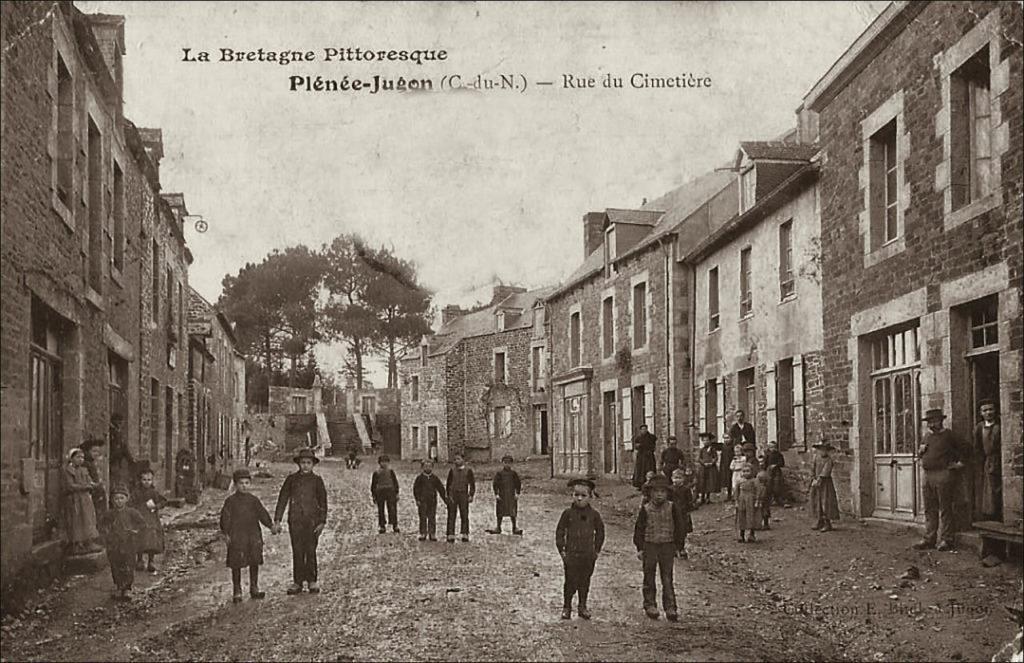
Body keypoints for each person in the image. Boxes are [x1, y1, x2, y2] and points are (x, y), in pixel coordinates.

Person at [274, 447, 329, 594]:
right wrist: (278, 519)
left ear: (313, 464)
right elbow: (283, 499)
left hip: (312, 522)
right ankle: (297, 582)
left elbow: (323, 502)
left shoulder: (317, 481)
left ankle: (312, 580)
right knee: (297, 550)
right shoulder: (291, 480)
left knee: (311, 550)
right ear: (298, 464)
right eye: (303, 462)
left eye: (308, 462)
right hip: (296, 521)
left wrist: (322, 522)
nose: (305, 465)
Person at [633, 475, 687, 621]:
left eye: (662, 491)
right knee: (649, 576)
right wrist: (640, 547)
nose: (659, 495)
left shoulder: (672, 507)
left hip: (667, 545)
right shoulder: (645, 509)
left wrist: (678, 545)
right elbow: (639, 528)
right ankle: (650, 604)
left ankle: (670, 607)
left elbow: (679, 527)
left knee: (667, 577)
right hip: (650, 545)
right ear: (649, 493)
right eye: (656, 491)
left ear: (667, 493)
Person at [913, 409, 965, 551]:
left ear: (941, 421)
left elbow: (965, 449)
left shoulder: (949, 435)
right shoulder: (927, 436)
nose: (931, 424)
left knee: (945, 508)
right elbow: (921, 452)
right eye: (929, 422)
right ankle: (929, 538)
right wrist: (920, 454)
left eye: (934, 421)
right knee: (929, 508)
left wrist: (958, 464)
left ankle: (946, 540)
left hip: (943, 475)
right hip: (927, 475)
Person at [220, 468, 274, 603]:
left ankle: (254, 588)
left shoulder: (253, 500)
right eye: (241, 483)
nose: (244, 486)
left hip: (253, 534)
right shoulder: (230, 501)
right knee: (236, 563)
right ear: (236, 485)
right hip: (237, 535)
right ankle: (237, 590)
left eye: (247, 483)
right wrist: (226, 533)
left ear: (250, 484)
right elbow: (225, 518)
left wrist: (271, 525)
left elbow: (262, 514)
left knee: (254, 560)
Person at [555, 478, 605, 621]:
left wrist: (596, 551)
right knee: (570, 581)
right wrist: (562, 550)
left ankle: (582, 606)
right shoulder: (567, 513)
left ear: (590, 497)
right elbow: (560, 532)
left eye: (583, 496)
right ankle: (567, 607)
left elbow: (600, 532)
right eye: (576, 495)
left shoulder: (594, 515)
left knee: (585, 581)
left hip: (588, 555)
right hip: (571, 554)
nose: (579, 498)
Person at [101, 484, 146, 601]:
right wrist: (107, 534)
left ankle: (127, 588)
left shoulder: (132, 512)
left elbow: (142, 524)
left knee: (128, 565)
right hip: (114, 544)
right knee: (116, 565)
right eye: (116, 498)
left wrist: (135, 531)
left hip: (129, 543)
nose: (119, 501)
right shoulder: (109, 514)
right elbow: (102, 525)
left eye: (122, 498)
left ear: (127, 499)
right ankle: (118, 586)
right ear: (112, 500)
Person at [62, 448, 101, 554]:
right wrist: (85, 486)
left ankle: (88, 541)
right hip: (75, 498)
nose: (81, 460)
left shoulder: (84, 470)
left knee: (88, 518)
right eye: (78, 457)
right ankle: (77, 543)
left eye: (82, 457)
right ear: (72, 458)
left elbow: (89, 480)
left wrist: (93, 484)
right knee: (77, 520)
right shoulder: (68, 470)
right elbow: (70, 486)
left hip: (85, 498)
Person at [131, 469, 167, 572]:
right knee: (140, 538)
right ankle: (139, 560)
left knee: (152, 540)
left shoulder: (154, 492)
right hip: (140, 518)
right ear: (140, 480)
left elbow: (163, 501)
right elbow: (131, 503)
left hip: (152, 519)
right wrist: (136, 510)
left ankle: (151, 561)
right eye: (144, 480)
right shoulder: (136, 492)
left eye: (149, 480)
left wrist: (157, 506)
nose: (147, 482)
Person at [974, 399, 1001, 520]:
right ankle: (990, 515)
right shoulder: (979, 428)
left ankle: (1001, 514)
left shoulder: (1000, 424)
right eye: (985, 410)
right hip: (988, 461)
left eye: (991, 409)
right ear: (981, 413)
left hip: (1000, 459)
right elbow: (977, 447)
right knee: (989, 489)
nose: (989, 412)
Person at [487, 455, 523, 535]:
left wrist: (517, 493)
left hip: (511, 496)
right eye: (505, 463)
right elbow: (495, 484)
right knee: (500, 511)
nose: (507, 464)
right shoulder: (499, 474)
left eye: (509, 463)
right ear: (503, 463)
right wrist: (496, 494)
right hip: (502, 496)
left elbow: (518, 484)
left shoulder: (513, 474)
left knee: (512, 512)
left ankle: (514, 528)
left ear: (511, 464)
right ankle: (498, 527)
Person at [809, 442, 841, 533]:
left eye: (825, 450)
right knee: (816, 501)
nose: (823, 452)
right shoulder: (816, 458)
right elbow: (812, 468)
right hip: (816, 483)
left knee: (826, 502)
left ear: (827, 451)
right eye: (821, 450)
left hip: (825, 484)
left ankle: (828, 523)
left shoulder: (829, 460)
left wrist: (819, 478)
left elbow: (825, 471)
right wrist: (813, 477)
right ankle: (819, 521)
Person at [413, 459, 447, 541]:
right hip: (422, 501)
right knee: (423, 517)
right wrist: (417, 499)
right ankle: (423, 533)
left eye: (429, 466)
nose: (428, 468)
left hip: (432, 501)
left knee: (432, 517)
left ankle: (432, 533)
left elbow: (440, 489)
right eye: (425, 466)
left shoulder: (434, 478)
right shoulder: (419, 478)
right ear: (422, 468)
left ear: (432, 467)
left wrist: (445, 499)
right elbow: (416, 489)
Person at [445, 453, 475, 543]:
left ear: (463, 460)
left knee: (464, 514)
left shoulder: (468, 471)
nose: (456, 461)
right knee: (451, 514)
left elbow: (472, 484)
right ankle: (450, 533)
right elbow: (448, 483)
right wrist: (448, 494)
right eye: (455, 459)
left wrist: (471, 495)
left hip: (463, 494)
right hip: (453, 495)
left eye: (458, 459)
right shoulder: (452, 471)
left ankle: (465, 533)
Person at [370, 455, 400, 534]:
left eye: (386, 462)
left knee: (392, 508)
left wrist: (397, 493)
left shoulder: (390, 471)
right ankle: (382, 525)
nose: (384, 464)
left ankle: (395, 524)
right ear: (379, 463)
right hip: (380, 492)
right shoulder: (376, 473)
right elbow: (373, 484)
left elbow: (395, 482)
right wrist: (374, 495)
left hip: (390, 491)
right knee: (381, 510)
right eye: (382, 462)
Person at [734, 465, 765, 543]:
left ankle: (751, 534)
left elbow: (758, 490)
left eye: (748, 471)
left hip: (751, 500)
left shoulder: (755, 481)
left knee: (751, 516)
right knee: (741, 515)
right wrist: (736, 501)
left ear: (752, 472)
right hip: (742, 500)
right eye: (744, 471)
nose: (746, 473)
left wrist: (757, 500)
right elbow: (736, 491)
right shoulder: (740, 481)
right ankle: (741, 534)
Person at [670, 468, 695, 559]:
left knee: (682, 531)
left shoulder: (686, 489)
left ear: (683, 479)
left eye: (679, 478)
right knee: (673, 531)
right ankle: (674, 548)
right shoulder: (670, 489)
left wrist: (688, 510)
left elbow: (689, 501)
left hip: (683, 513)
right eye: (675, 478)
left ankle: (681, 548)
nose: (677, 480)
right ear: (672, 478)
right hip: (673, 514)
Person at [80, 438, 108, 518]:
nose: (97, 454)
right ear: (87, 451)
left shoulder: (91, 462)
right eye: (94, 451)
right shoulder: (85, 463)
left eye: (98, 452)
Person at [631, 425, 658, 490]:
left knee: (649, 469)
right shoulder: (638, 438)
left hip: (649, 456)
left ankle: (651, 483)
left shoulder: (651, 437)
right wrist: (638, 446)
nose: (644, 430)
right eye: (642, 429)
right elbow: (636, 446)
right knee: (640, 470)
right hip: (641, 456)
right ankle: (640, 484)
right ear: (640, 430)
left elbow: (653, 445)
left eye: (645, 429)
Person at [696, 433, 719, 505]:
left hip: (711, 468)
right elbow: (699, 458)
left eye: (707, 440)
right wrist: (703, 463)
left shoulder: (712, 449)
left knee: (709, 482)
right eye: (704, 440)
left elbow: (715, 457)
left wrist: (712, 463)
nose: (706, 442)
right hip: (703, 468)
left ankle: (708, 497)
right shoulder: (702, 450)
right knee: (703, 482)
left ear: (710, 441)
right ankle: (702, 497)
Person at [761, 441, 786, 506]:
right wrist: (764, 468)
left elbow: (782, 463)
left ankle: (778, 500)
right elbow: (765, 463)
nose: (772, 448)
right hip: (769, 472)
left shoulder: (779, 455)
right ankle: (770, 500)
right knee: (769, 485)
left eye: (774, 447)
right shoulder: (767, 455)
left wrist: (776, 465)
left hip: (776, 471)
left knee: (777, 485)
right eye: (771, 447)